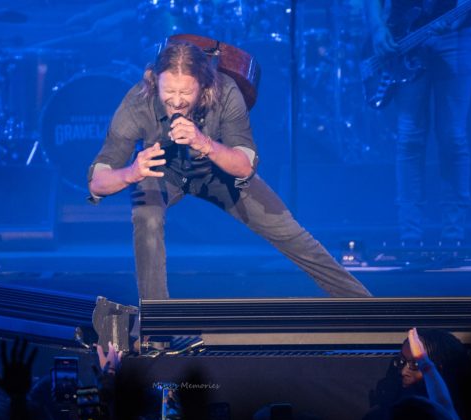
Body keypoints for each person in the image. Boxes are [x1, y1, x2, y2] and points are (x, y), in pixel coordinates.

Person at [88, 40, 372, 300]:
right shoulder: (138, 101)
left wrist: (204, 143)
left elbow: (244, 166)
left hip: (219, 169)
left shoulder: (226, 92)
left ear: (204, 86)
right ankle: (157, 325)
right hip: (162, 171)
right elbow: (97, 183)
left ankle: (365, 308)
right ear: (154, 81)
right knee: (146, 217)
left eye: (186, 92)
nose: (176, 100)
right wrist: (132, 172)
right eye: (168, 91)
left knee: (287, 229)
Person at [364, 0, 471, 244]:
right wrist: (378, 27)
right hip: (404, 33)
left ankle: (453, 236)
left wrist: (457, 15)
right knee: (410, 136)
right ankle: (410, 237)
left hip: (457, 35)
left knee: (452, 137)